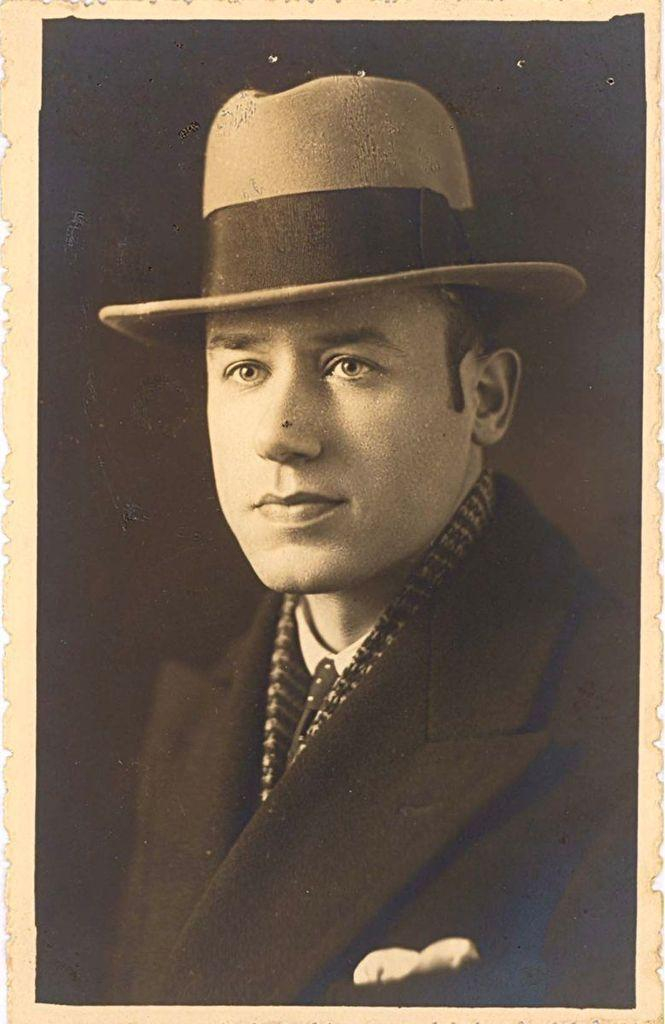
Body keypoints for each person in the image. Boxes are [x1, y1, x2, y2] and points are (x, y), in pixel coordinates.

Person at [98, 75, 638, 1007]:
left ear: (485, 397)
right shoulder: (191, 724)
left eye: (350, 363)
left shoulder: (620, 716)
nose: (281, 431)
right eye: (243, 366)